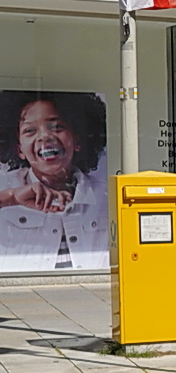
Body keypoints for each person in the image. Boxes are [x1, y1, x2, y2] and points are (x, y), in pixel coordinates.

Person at [0, 92, 110, 272]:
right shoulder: (5, 188)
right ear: (18, 148)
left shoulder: (105, 196)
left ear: (77, 140)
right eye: (30, 130)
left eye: (58, 127)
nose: (45, 137)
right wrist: (10, 198)